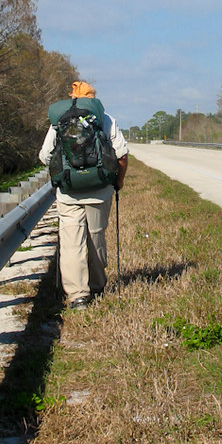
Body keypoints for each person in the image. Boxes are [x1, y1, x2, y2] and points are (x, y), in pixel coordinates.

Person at [39, 81, 128, 308]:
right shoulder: (104, 119)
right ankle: (97, 286)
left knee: (71, 243)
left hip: (69, 193)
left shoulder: (60, 121)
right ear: (92, 97)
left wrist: (67, 170)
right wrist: (118, 181)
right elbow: (122, 156)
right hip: (100, 191)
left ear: (71, 97)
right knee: (96, 237)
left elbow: (44, 156)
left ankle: (78, 295)